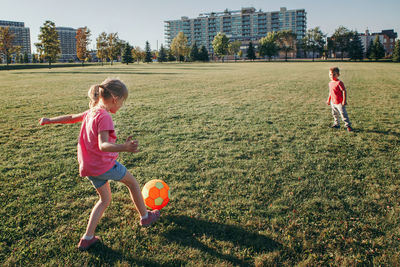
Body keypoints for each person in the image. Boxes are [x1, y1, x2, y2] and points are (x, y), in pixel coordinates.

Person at [39, 78, 160, 251]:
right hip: (104, 166)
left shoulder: (92, 112)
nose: (121, 106)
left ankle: (87, 237)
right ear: (115, 99)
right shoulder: (104, 116)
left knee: (104, 200)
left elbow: (71, 118)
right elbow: (103, 145)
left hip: (89, 168)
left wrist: (50, 120)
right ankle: (146, 217)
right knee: (132, 183)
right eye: (122, 102)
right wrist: (124, 147)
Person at [326, 67, 353, 132]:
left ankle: (348, 125)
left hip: (340, 102)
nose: (332, 76)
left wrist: (344, 100)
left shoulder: (339, 82)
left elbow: (344, 91)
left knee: (343, 114)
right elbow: (330, 92)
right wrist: (328, 100)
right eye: (330, 74)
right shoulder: (330, 83)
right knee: (335, 114)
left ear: (338, 75)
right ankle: (336, 124)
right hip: (333, 102)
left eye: (334, 74)